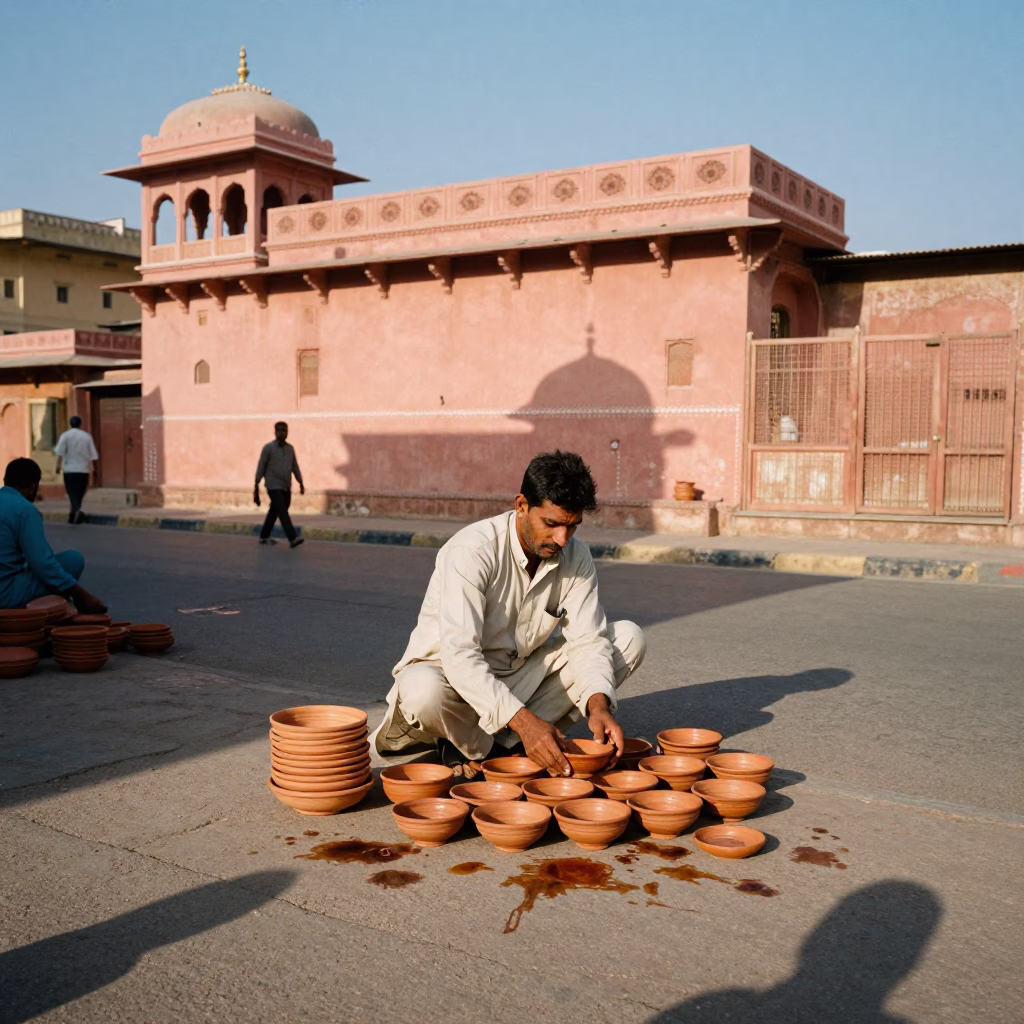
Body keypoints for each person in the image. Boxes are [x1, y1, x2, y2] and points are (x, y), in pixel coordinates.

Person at [372, 450, 646, 779]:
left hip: (516, 677)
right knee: (421, 688)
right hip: (452, 683)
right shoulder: (471, 552)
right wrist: (526, 724)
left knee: (628, 637)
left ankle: (501, 745)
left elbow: (588, 639)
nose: (561, 538)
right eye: (552, 524)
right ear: (521, 506)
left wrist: (599, 706)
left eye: (572, 527)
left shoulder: (576, 556)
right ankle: (476, 743)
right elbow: (460, 656)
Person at [0, 458, 107, 612]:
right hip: (6, 595)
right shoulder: (24, 510)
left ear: (5, 480)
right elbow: (42, 563)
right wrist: (82, 595)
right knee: (72, 560)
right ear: (33, 487)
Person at [254, 421, 305, 548]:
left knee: (276, 509)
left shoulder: (290, 449)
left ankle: (264, 536)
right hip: (273, 484)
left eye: (284, 430)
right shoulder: (268, 448)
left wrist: (301, 482)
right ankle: (292, 538)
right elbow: (261, 465)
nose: (282, 433)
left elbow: (294, 466)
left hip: (286, 484)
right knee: (282, 509)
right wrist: (256, 484)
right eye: (279, 430)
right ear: (275, 432)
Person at [54, 415, 98, 525]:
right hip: (83, 470)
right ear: (80, 424)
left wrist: (58, 467)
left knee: (71, 492)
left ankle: (75, 511)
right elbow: (93, 455)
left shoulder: (65, 436)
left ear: (70, 424)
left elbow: (59, 453)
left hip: (69, 469)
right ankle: (75, 511)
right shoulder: (87, 437)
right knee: (80, 492)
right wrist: (94, 468)